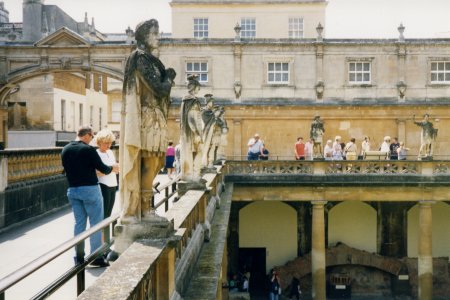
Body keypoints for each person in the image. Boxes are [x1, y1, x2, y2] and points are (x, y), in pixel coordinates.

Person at [121, 19, 176, 223]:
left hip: (154, 117)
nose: (158, 37)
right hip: (148, 117)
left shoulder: (150, 60)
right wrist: (168, 77)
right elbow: (159, 88)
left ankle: (146, 208)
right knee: (149, 160)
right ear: (144, 36)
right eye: (154, 33)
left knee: (154, 161)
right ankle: (145, 209)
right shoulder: (140, 58)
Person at [61, 126, 119, 267]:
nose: (92, 140)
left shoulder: (65, 149)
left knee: (79, 224)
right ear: (86, 135)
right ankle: (96, 256)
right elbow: (103, 168)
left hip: (73, 190)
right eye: (92, 137)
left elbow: (64, 171)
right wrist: (113, 168)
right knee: (96, 223)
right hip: (90, 190)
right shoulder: (88, 150)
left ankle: (79, 257)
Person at [180, 75, 204, 181]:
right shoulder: (191, 100)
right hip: (193, 132)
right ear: (194, 87)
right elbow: (191, 118)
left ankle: (195, 174)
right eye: (198, 88)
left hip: (194, 131)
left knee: (197, 151)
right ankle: (193, 175)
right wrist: (197, 133)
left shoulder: (189, 100)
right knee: (197, 151)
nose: (199, 90)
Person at [95, 129, 118, 219]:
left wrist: (114, 168)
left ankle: (105, 233)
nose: (109, 145)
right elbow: (96, 173)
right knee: (103, 214)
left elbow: (115, 168)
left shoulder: (110, 152)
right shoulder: (96, 153)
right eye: (106, 143)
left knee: (108, 214)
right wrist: (111, 169)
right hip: (103, 185)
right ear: (99, 142)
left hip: (113, 184)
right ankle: (101, 233)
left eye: (110, 143)